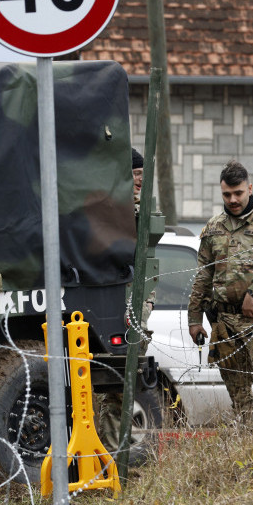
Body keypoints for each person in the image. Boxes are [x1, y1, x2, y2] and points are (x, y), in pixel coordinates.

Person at [187, 160, 253, 425]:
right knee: (240, 398)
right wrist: (194, 318)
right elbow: (203, 276)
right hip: (226, 324)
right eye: (227, 194)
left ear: (249, 188)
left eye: (238, 193)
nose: (233, 199)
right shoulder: (213, 228)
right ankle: (251, 453)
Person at [95, 149, 156, 454]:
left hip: (137, 300)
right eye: (134, 174)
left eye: (144, 175)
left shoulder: (142, 209)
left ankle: (118, 452)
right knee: (114, 380)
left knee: (122, 383)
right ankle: (111, 451)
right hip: (116, 300)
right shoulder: (114, 209)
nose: (140, 181)